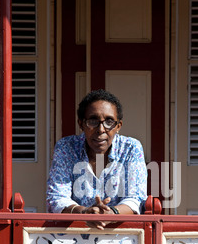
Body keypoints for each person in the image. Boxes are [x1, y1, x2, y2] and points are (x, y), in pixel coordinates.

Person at [46, 89, 147, 229]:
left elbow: (136, 198)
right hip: (72, 238)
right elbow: (57, 198)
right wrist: (85, 213)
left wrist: (112, 213)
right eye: (93, 121)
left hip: (120, 239)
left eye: (109, 121)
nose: (101, 129)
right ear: (81, 124)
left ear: (118, 126)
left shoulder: (131, 148)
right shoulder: (66, 147)